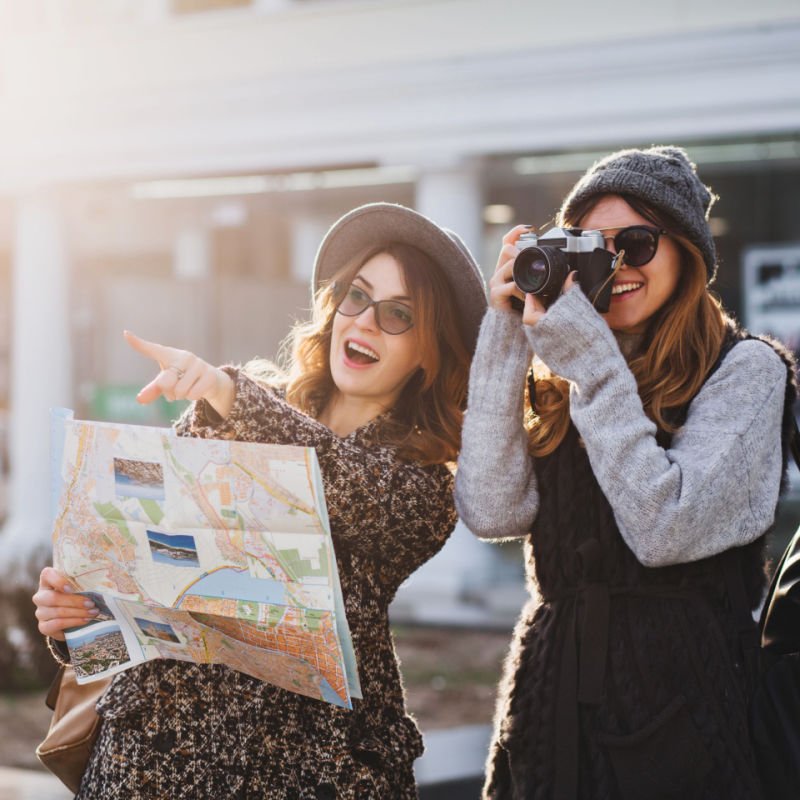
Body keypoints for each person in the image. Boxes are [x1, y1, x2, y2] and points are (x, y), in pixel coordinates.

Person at [33, 202, 487, 799]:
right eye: (357, 296)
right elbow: (147, 584)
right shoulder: (229, 412)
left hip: (308, 772)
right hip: (155, 762)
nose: (367, 322)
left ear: (431, 352)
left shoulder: (423, 481)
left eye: (399, 314)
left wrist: (229, 392)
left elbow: (340, 486)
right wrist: (78, 620)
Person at [454, 146, 799, 800]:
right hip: (547, 705)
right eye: (591, 245)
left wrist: (592, 366)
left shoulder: (747, 370)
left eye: (636, 244)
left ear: (688, 255)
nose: (614, 265)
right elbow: (491, 510)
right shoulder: (567, 376)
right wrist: (505, 335)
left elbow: (664, 529)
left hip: (685, 710)